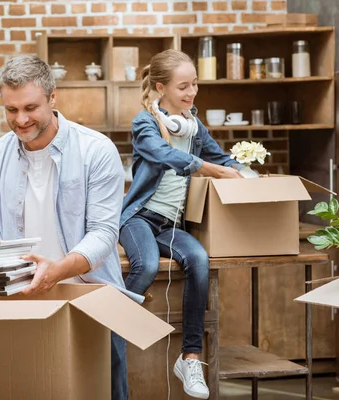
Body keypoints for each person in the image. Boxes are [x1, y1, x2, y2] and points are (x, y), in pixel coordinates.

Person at [0, 55, 141, 400]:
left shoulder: (96, 151)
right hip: (21, 300)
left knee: (102, 392)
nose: (20, 120)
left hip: (90, 298)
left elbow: (104, 233)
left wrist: (57, 271)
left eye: (30, 107)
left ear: (53, 98)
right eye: (11, 110)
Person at [119, 49, 243, 399]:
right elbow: (165, 155)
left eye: (195, 85)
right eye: (183, 86)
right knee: (143, 267)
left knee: (199, 261)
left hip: (172, 224)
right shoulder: (145, 123)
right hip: (138, 218)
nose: (191, 93)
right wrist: (210, 169)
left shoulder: (194, 126)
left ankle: (189, 357)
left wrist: (248, 172)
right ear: (162, 88)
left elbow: (220, 157)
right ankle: (113, 337)